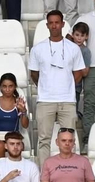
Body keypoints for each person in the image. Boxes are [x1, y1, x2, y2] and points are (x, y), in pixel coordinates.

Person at [28, 10, 87, 158]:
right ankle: (45, 177)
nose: (54, 26)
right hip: (45, 100)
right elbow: (34, 74)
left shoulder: (73, 48)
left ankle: (67, 175)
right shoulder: (38, 49)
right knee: (44, 140)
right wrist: (45, 85)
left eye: (57, 22)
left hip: (67, 100)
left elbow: (79, 73)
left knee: (68, 141)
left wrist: (65, 84)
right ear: (47, 25)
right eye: (51, 23)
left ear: (62, 24)